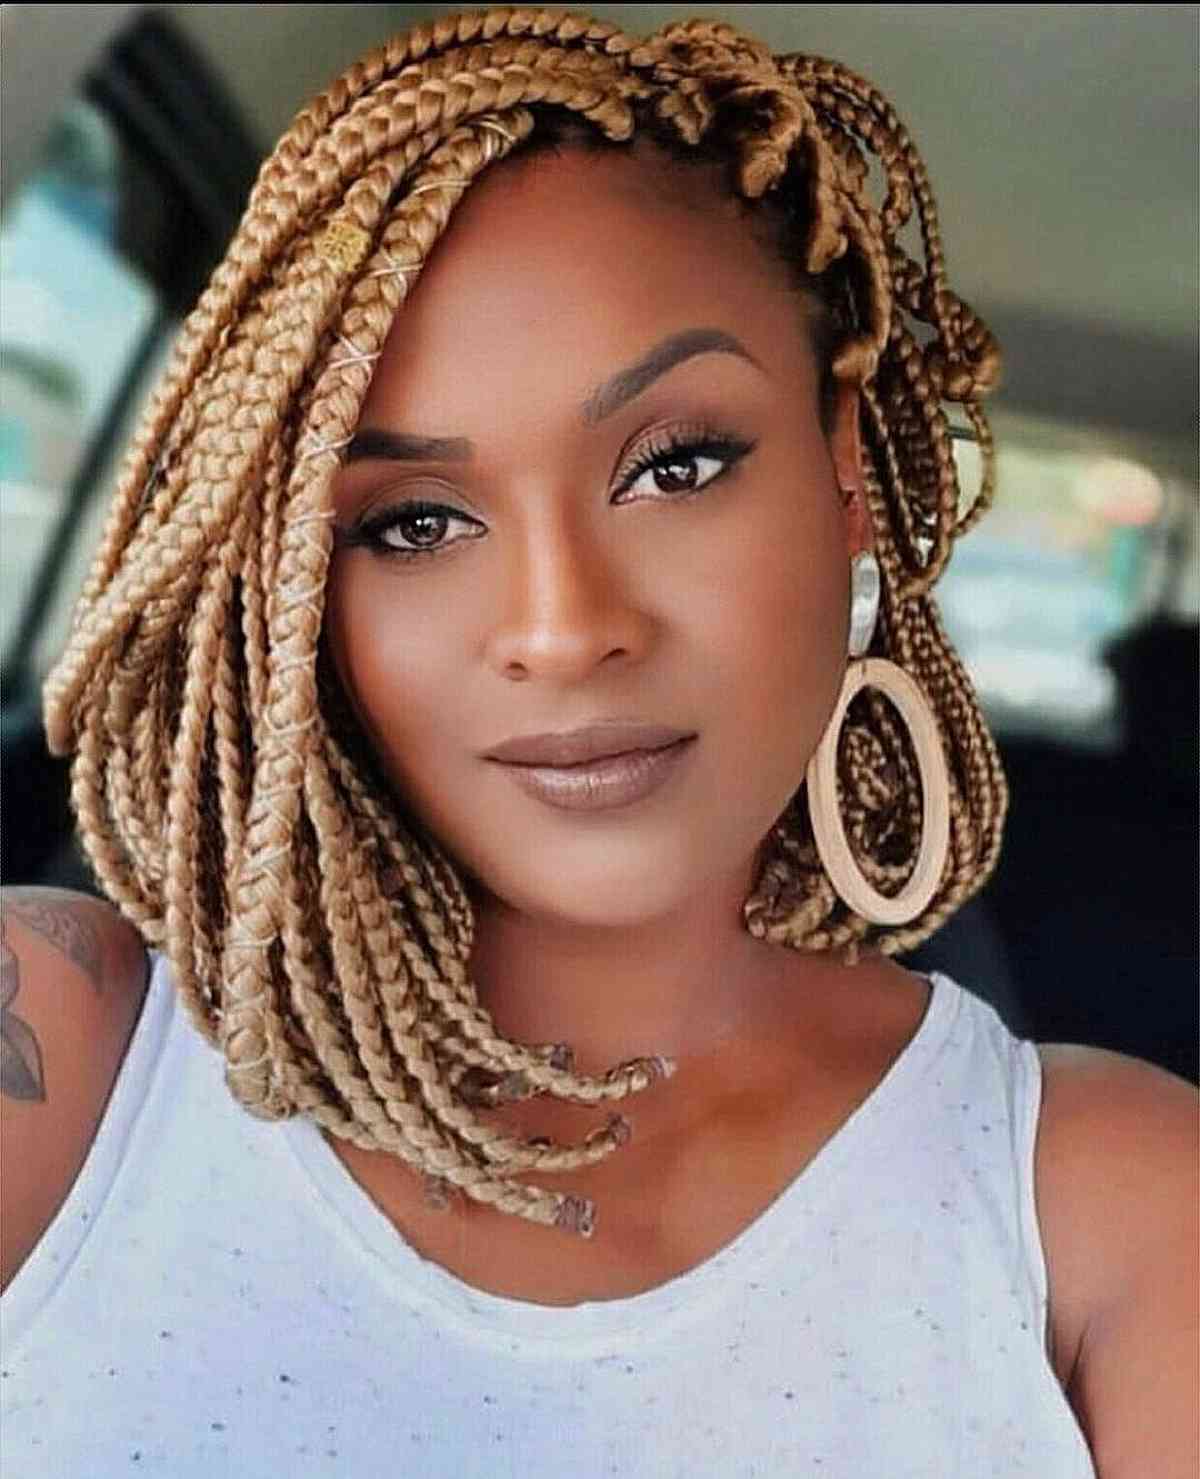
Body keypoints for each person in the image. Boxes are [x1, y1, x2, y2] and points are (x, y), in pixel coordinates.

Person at [1, 9, 1195, 1475]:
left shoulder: (1121, 1215)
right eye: (415, 524)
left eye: (676, 466)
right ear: (293, 592)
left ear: (845, 475)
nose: (563, 630)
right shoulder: (63, 1061)